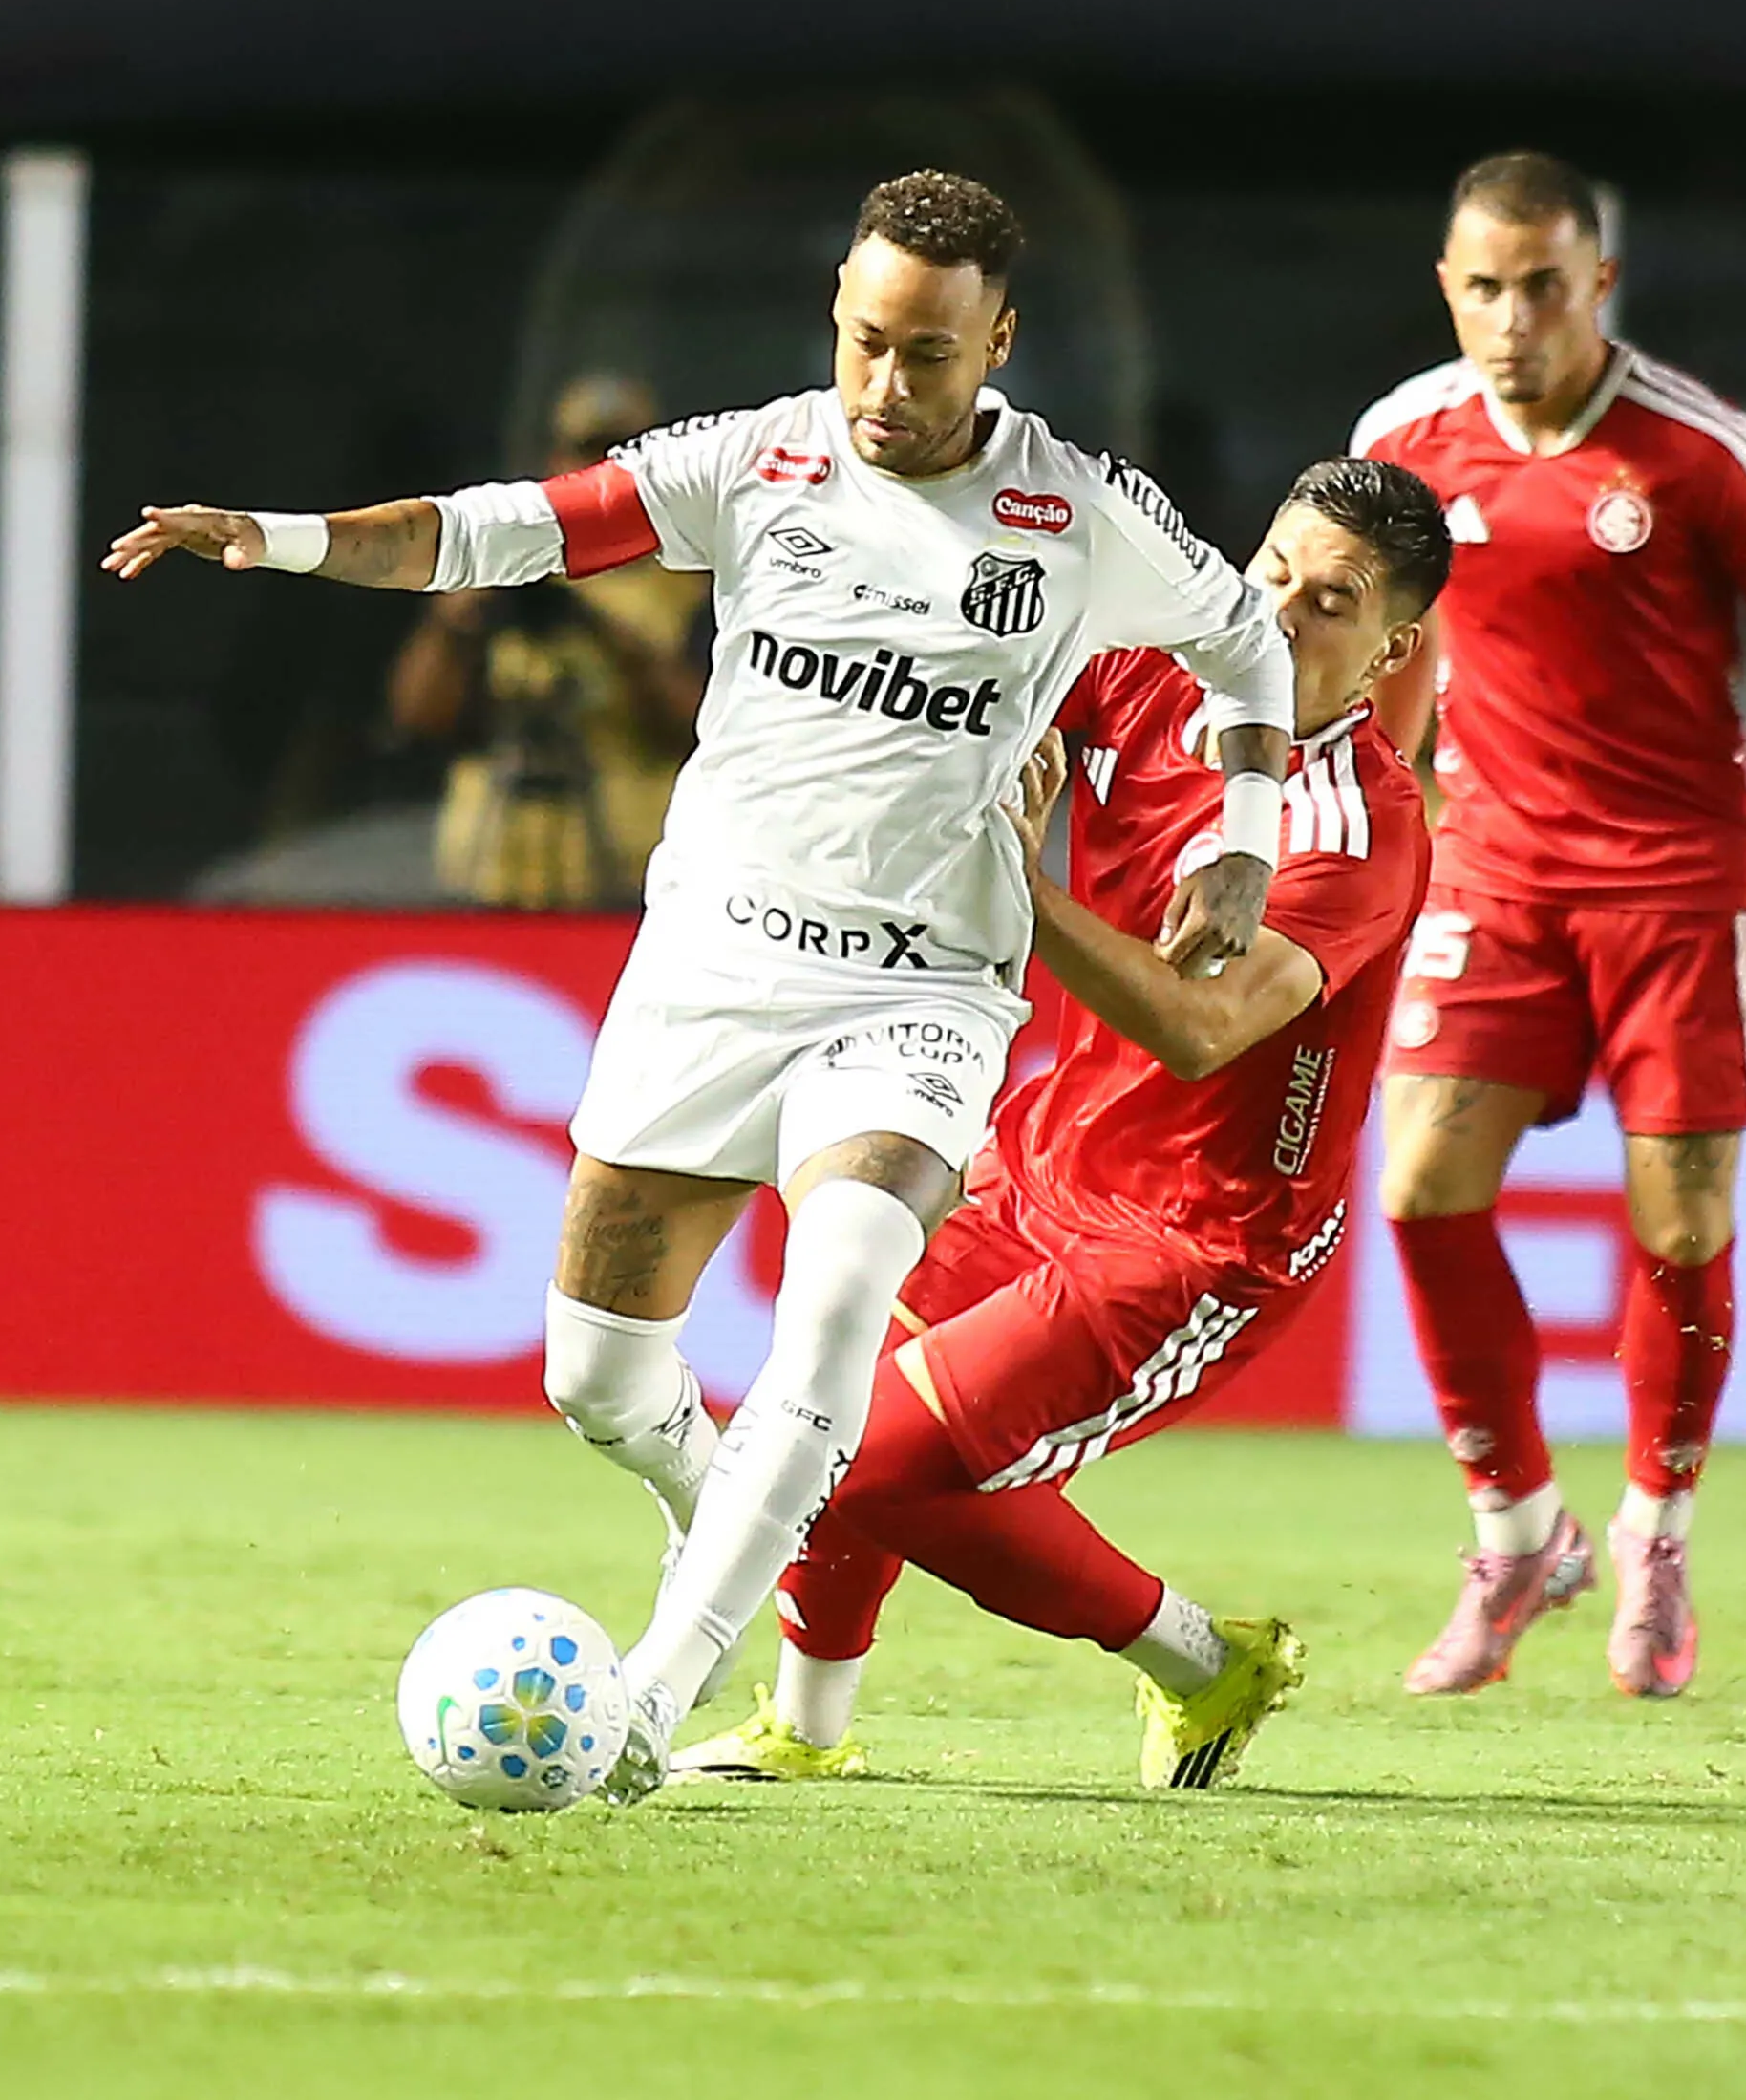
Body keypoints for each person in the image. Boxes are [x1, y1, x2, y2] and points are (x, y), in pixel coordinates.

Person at [102, 169, 1297, 1801]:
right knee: (592, 1377)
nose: (887, 386)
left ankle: (649, 1703)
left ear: (998, 340)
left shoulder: (1078, 511)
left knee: (837, 1304)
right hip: (715, 971)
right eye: (865, 342)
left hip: (922, 993)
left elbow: (1250, 646)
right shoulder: (758, 460)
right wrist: (278, 537)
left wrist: (1237, 840)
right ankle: (729, 1505)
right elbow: (510, 527)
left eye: (928, 356)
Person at [665, 458, 1441, 1792]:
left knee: (868, 1470)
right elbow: (991, 655)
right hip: (1042, 1161)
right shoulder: (1149, 677)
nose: (1280, 615)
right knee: (806, 1411)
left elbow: (1199, 1027)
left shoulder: (1350, 826)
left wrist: (1014, 888)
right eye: (1273, 573)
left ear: (1390, 651)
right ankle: (804, 1728)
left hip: (1194, 1241)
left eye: (1331, 604)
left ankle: (1208, 1662)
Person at [1349, 151, 1746, 1702]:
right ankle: (1518, 1535)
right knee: (1421, 1190)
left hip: (1669, 876)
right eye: (1479, 288)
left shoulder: (1702, 452)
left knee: (1680, 1225)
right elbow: (1386, 640)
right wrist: (1371, 829)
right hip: (1491, 872)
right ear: (1446, 287)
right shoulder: (1401, 439)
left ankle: (1653, 1533)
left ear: (1599, 286)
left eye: (1540, 286)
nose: (1508, 319)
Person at [386, 374, 713, 909]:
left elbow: (703, 725)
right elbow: (417, 718)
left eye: (620, 456)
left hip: (627, 870)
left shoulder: (693, 582)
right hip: (494, 866)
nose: (602, 474)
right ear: (554, 461)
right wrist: (453, 628)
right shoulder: (512, 567)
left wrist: (613, 640)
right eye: (586, 453)